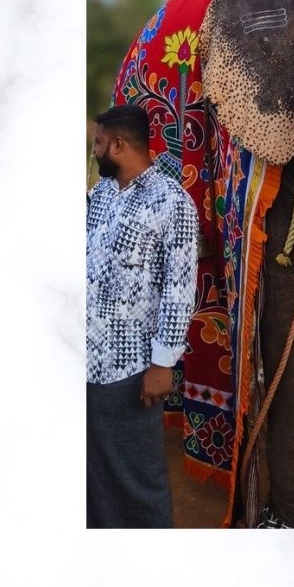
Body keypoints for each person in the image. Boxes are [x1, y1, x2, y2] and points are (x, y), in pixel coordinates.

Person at [86, 104, 199, 528]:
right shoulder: (99, 195)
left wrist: (162, 363)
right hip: (87, 366)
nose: (94, 151)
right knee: (92, 478)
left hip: (132, 369)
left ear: (119, 145)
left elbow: (179, 287)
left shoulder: (172, 202)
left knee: (137, 481)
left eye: (98, 143)